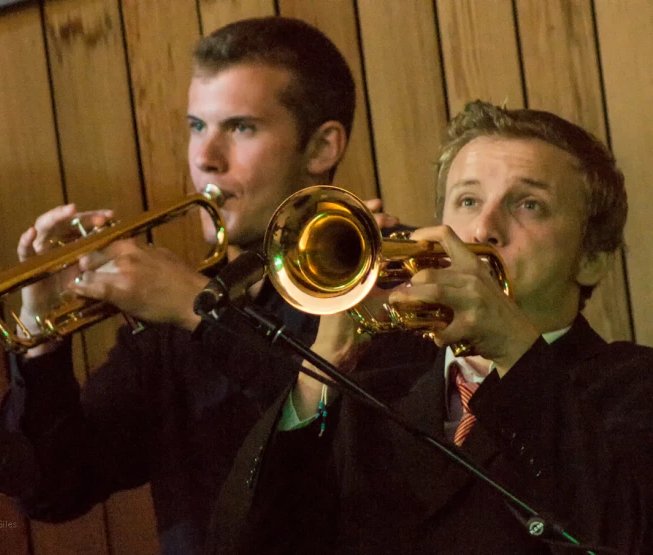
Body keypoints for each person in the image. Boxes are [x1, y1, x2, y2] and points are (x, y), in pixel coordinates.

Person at [0, 16, 397, 555]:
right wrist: (40, 339)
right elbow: (51, 490)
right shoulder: (171, 320)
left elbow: (362, 451)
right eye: (196, 126)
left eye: (241, 128)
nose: (205, 158)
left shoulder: (387, 273)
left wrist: (199, 312)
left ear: (322, 147)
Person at [206, 100, 653, 554]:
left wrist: (512, 347)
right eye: (468, 200)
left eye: (529, 204)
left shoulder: (635, 386)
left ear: (594, 258)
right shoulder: (368, 401)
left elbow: (625, 537)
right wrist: (323, 364)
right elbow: (242, 545)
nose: (482, 228)